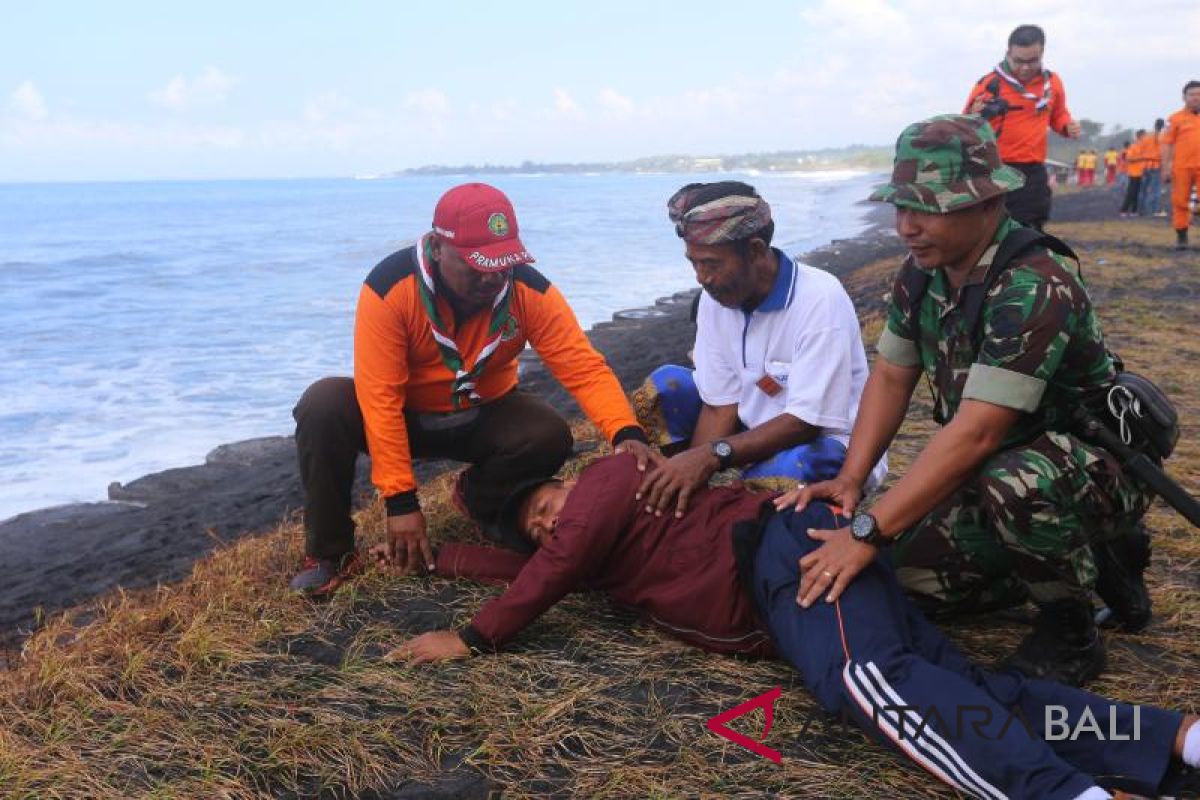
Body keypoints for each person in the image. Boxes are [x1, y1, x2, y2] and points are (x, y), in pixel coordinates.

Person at [385, 453, 1200, 800]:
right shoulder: (579, 551)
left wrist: (476, 638)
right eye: (530, 523)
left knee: (863, 682)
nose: (546, 522)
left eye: (543, 503)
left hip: (780, 555)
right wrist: (399, 561)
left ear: (566, 483)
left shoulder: (608, 478)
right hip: (789, 584)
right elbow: (524, 570)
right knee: (972, 689)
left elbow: (546, 573)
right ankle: (1175, 742)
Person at [781, 114, 1151, 688]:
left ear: (987, 203)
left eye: (927, 208)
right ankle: (1096, 558)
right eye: (901, 208)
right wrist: (852, 479)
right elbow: (890, 376)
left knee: (1016, 482)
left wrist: (866, 531)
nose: (907, 226)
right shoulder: (921, 274)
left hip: (1078, 469)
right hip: (990, 470)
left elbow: (978, 431)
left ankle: (1072, 630)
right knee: (907, 582)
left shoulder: (1034, 281)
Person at [289, 182, 658, 597]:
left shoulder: (527, 290)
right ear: (438, 247)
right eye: (479, 265)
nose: (493, 276)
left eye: (503, 263)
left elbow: (583, 368)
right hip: (405, 415)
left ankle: (479, 497)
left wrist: (626, 433)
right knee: (322, 404)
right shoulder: (390, 288)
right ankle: (330, 553)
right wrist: (401, 503)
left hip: (482, 411)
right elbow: (380, 398)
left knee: (547, 434)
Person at [631, 181, 886, 519]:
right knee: (666, 387)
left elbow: (805, 423)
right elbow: (719, 406)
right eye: (693, 263)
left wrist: (712, 455)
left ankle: (746, 499)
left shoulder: (819, 299)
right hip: (749, 434)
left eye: (711, 264)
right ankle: (685, 504)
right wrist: (689, 475)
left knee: (786, 473)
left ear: (754, 250)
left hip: (827, 443)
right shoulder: (714, 300)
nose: (701, 278)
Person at [965, 24, 1081, 230]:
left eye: (1032, 61)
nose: (1025, 68)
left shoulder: (1052, 83)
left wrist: (1066, 126)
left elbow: (1058, 114)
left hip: (1032, 172)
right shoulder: (989, 84)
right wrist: (974, 113)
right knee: (991, 231)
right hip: (994, 170)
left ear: (1042, 53)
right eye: (1019, 61)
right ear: (1008, 53)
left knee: (1031, 229)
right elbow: (964, 125)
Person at [1164, 81, 1200, 250]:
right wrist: (1165, 168)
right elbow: (1167, 145)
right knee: (1179, 202)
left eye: (1199, 94)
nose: (1196, 98)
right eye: (1192, 94)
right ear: (1184, 97)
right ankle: (1182, 237)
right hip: (1181, 168)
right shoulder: (1175, 119)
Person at [1138, 120, 1166, 217]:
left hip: (1145, 165)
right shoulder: (1163, 137)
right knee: (1155, 190)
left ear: (1154, 125)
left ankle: (1141, 210)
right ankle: (1153, 211)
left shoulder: (1146, 137)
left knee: (1143, 189)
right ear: (1163, 126)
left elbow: (1140, 151)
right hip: (1156, 165)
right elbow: (1165, 152)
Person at [1119, 131, 1148, 217]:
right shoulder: (1133, 147)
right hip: (1133, 173)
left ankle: (1134, 211)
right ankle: (1123, 210)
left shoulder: (1142, 147)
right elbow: (1129, 159)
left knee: (1136, 193)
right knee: (1131, 192)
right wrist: (1141, 158)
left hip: (1140, 173)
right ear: (1139, 137)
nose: (1145, 138)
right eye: (1144, 136)